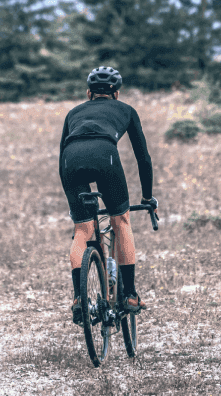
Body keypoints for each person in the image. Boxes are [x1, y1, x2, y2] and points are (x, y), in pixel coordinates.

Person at [59, 66, 157, 323]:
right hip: (105, 154)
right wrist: (147, 197)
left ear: (88, 93)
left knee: (82, 230)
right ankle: (131, 295)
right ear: (116, 93)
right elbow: (143, 158)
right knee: (121, 221)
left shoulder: (73, 112)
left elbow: (61, 155)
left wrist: (73, 203)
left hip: (71, 160)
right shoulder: (126, 109)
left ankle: (79, 299)